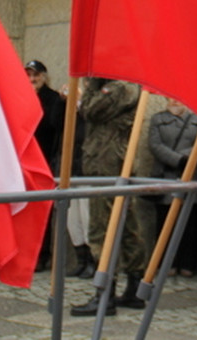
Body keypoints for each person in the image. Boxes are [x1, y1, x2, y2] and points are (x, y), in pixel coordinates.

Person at [71, 79, 149, 316]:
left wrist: (90, 86)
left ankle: (104, 293)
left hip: (109, 165)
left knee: (101, 230)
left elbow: (90, 110)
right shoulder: (117, 86)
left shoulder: (119, 87)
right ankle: (134, 288)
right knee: (126, 227)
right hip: (105, 163)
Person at [148, 98, 197, 277]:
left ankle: (189, 263)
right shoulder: (158, 119)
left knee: (191, 223)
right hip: (167, 175)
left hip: (191, 174)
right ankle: (168, 263)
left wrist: (187, 160)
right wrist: (177, 159)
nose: (175, 101)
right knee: (165, 221)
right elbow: (155, 144)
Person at [25, 59, 66, 272]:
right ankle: (27, 254)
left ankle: (42, 255)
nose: (32, 79)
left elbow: (55, 124)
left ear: (44, 76)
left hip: (45, 160)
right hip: (24, 163)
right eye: (29, 75)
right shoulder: (19, 97)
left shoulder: (52, 98)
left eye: (36, 75)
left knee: (43, 212)